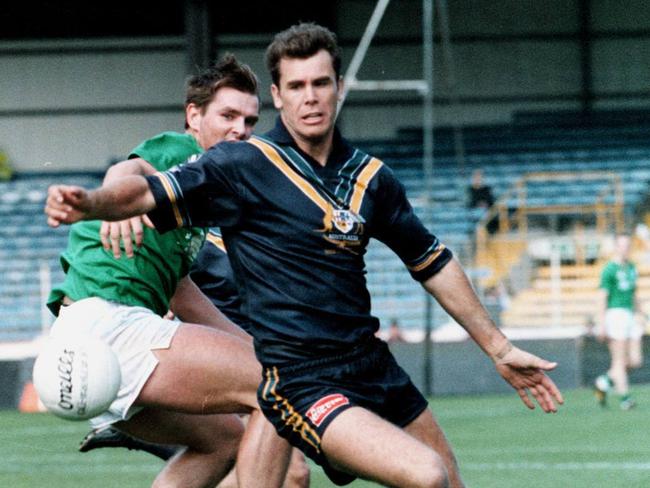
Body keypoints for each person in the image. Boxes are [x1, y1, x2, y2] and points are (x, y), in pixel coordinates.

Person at [45, 23, 563, 488]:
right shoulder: (237, 164)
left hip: (369, 362)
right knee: (420, 475)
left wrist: (498, 348)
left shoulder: (370, 178)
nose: (310, 98)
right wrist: (92, 203)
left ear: (339, 87)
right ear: (280, 95)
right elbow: (139, 185)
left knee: (444, 479)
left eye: (321, 83)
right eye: (296, 86)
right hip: (297, 373)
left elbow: (431, 261)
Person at [43, 55, 300, 488]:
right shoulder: (185, 154)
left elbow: (184, 296)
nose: (241, 129)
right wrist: (113, 192)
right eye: (228, 115)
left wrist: (258, 346)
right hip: (109, 327)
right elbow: (136, 167)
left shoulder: (194, 203)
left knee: (224, 443)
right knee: (281, 386)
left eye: (250, 120)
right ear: (194, 116)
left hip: (82, 340)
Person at [594, 234, 644, 410]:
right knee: (619, 360)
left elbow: (634, 294)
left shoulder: (631, 267)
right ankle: (625, 398)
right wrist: (601, 323)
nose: (625, 248)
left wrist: (642, 313)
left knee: (636, 360)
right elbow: (602, 297)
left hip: (630, 314)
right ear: (616, 247)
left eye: (628, 245)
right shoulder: (609, 269)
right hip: (615, 315)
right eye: (622, 245)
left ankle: (604, 381)